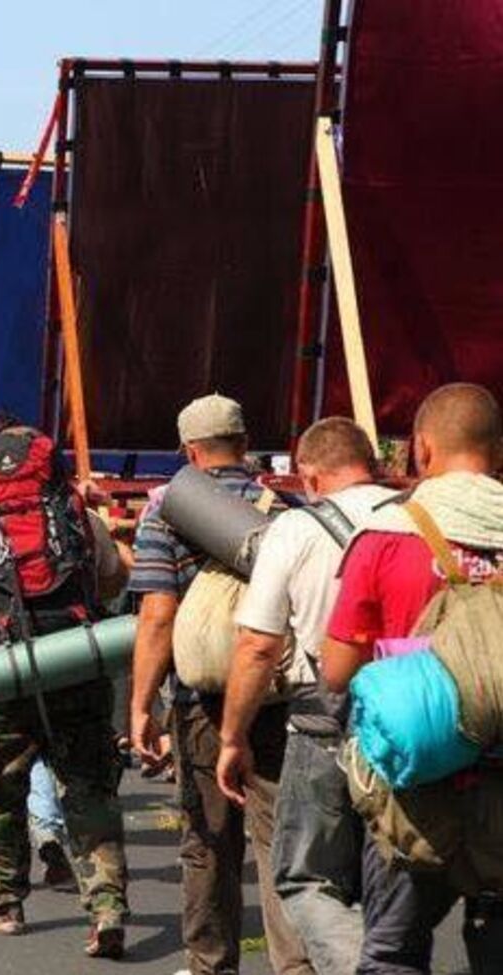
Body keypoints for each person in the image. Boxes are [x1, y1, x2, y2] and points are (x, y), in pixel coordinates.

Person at [0, 415, 130, 955]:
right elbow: (114, 578)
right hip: (75, 662)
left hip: (1, 671)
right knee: (88, 786)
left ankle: (3, 904)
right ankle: (107, 906)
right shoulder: (78, 515)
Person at [322, 383, 503, 975]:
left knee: (394, 954)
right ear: (497, 452)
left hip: (412, 792)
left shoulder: (383, 535)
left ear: (421, 449)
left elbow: (337, 671)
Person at [128, 394, 311, 975]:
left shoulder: (164, 514)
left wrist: (139, 706)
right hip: (275, 694)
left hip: (201, 701)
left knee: (208, 840)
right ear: (245, 439)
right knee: (280, 838)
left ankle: (210, 964)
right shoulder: (285, 510)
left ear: (189, 450)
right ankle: (296, 966)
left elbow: (158, 615)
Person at [214, 417, 394, 975]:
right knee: (389, 879)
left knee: (310, 878)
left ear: (310, 476)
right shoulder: (417, 517)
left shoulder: (296, 530)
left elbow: (257, 647)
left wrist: (233, 737)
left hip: (323, 717)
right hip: (413, 716)